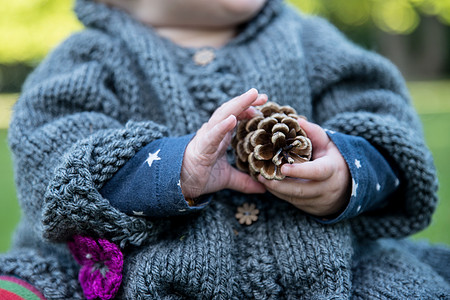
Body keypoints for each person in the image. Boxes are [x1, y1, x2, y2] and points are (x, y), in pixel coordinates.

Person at [1, 0, 449, 298]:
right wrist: (170, 172)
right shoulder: (88, 58)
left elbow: (386, 124)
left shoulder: (310, 41)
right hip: (153, 281)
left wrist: (347, 172)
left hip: (338, 274)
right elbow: (53, 154)